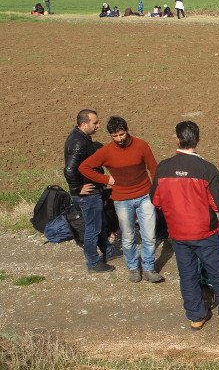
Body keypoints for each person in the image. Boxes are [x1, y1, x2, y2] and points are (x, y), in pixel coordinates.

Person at [149, 121, 219, 335]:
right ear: (198, 139)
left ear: (177, 139)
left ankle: (196, 316)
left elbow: (155, 200)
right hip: (204, 232)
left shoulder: (164, 167)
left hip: (178, 233)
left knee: (187, 274)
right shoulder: (206, 169)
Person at [78, 116, 163, 283]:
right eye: (114, 136)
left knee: (149, 235)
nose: (119, 139)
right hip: (122, 199)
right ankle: (133, 268)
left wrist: (156, 192)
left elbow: (153, 168)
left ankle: (148, 267)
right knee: (128, 236)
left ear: (127, 130)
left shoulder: (141, 145)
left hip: (145, 196)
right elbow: (84, 167)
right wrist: (105, 180)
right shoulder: (107, 151)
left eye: (121, 134)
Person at [64, 109, 115, 273]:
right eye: (95, 123)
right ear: (84, 124)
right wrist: (78, 188)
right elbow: (70, 170)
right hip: (88, 194)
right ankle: (93, 262)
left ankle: (107, 250)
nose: (98, 126)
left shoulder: (81, 138)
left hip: (92, 192)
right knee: (93, 228)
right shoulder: (79, 142)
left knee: (98, 223)